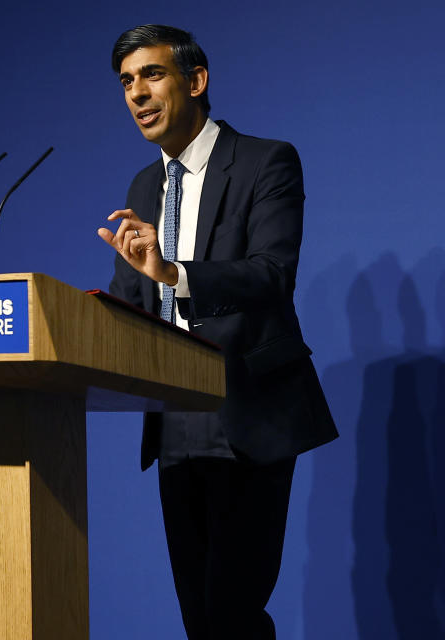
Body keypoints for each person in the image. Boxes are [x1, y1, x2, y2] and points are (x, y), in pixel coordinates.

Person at [97, 24, 338, 640]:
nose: (137, 94)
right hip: (175, 420)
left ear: (196, 80)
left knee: (233, 614)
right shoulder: (143, 187)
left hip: (247, 412)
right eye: (127, 82)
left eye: (152, 75)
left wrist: (174, 271)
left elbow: (270, 274)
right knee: (200, 621)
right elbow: (135, 298)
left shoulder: (265, 161)